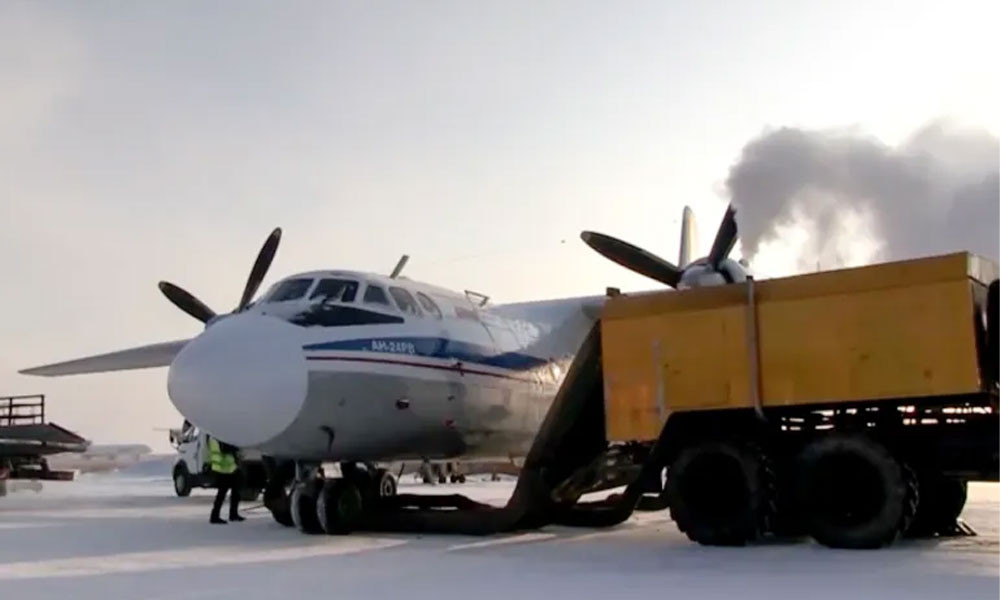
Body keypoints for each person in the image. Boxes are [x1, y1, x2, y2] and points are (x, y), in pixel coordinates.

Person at [207, 435, 244, 524]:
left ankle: (233, 514)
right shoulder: (216, 437)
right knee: (222, 493)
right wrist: (235, 448)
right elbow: (224, 449)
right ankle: (215, 516)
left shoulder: (217, 436)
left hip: (229, 467)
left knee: (235, 491)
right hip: (222, 469)